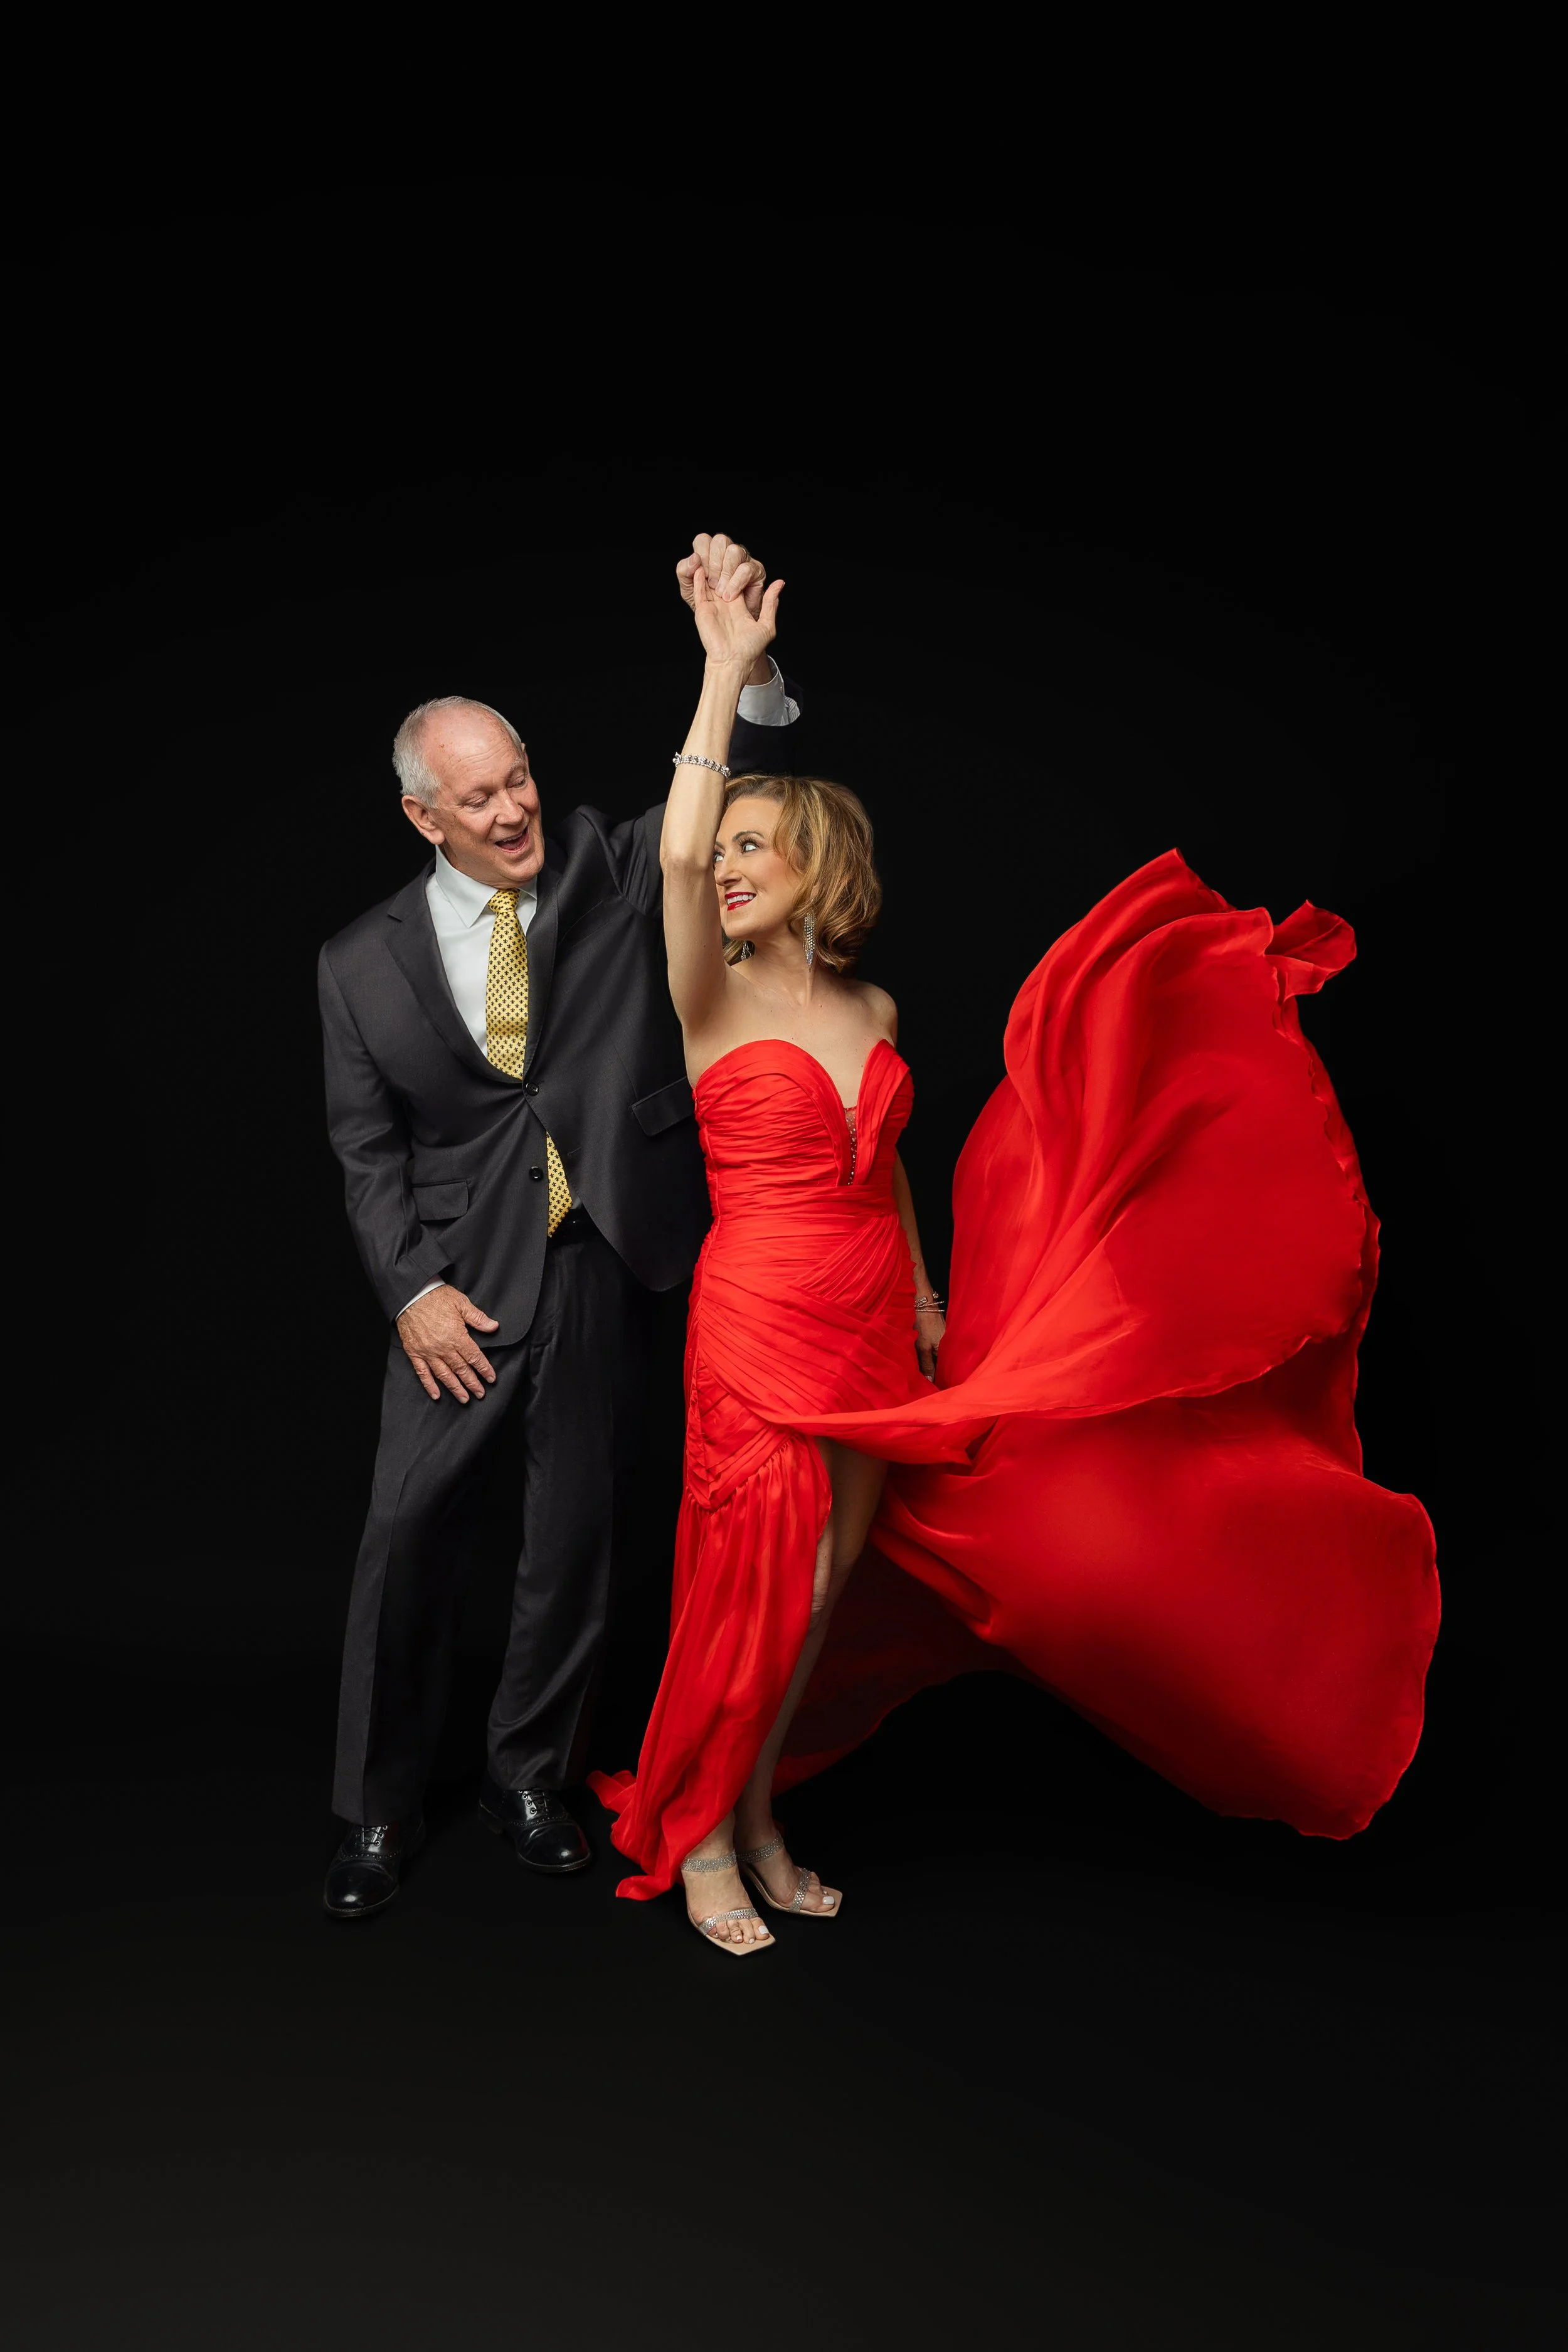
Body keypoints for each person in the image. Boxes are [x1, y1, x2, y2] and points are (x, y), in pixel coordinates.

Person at [590, 561, 1441, 1956]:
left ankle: (754, 1819)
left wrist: (926, 1296)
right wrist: (723, 674)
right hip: (759, 1312)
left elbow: (884, 1168)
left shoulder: (869, 1004)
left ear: (820, 865)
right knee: (757, 1584)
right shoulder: (707, 992)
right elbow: (671, 859)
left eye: (758, 845)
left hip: (871, 1309)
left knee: (823, 1591)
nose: (727, 865)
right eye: (725, 845)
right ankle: (695, 1846)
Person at [317, 534, 798, 1919]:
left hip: (598, 1251)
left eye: (517, 778)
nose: (513, 810)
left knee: (575, 1536)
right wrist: (407, 1287)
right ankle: (373, 1812)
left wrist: (741, 673)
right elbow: (364, 1151)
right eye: (479, 799)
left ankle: (529, 1774)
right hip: (457, 1285)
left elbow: (732, 809)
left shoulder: (603, 863)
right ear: (425, 818)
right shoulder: (357, 967)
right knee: (404, 1534)